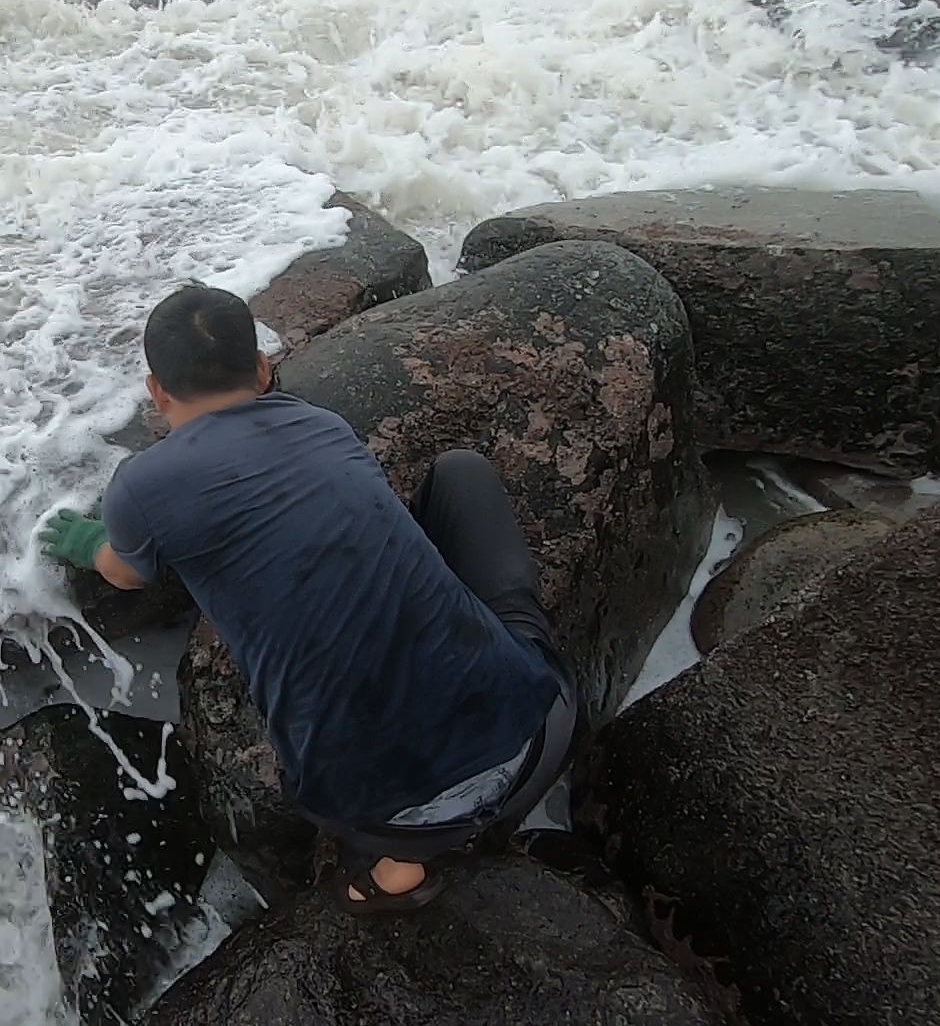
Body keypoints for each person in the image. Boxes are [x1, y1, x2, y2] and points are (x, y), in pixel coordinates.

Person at [39, 284, 581, 915]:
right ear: (264, 370)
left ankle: (391, 873)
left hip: (389, 819)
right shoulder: (322, 425)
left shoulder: (141, 484)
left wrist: (85, 542)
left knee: (340, 745)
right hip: (541, 740)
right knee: (460, 472)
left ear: (156, 393)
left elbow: (126, 574)